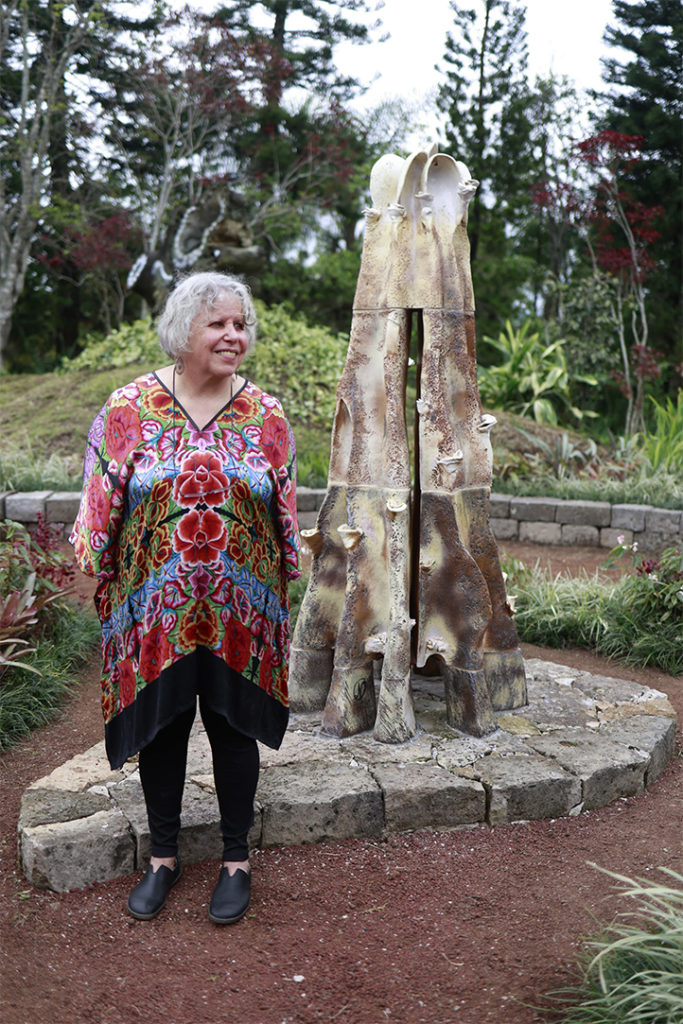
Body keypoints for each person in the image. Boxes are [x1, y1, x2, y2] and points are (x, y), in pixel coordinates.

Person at [70, 271, 300, 924]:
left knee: (234, 729)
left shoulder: (266, 414)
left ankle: (236, 861)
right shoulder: (130, 407)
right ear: (182, 331)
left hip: (240, 609)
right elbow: (99, 504)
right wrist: (98, 572)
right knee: (163, 729)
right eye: (217, 323)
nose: (233, 335)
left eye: (240, 324)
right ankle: (163, 857)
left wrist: (284, 579)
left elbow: (284, 510)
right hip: (154, 609)